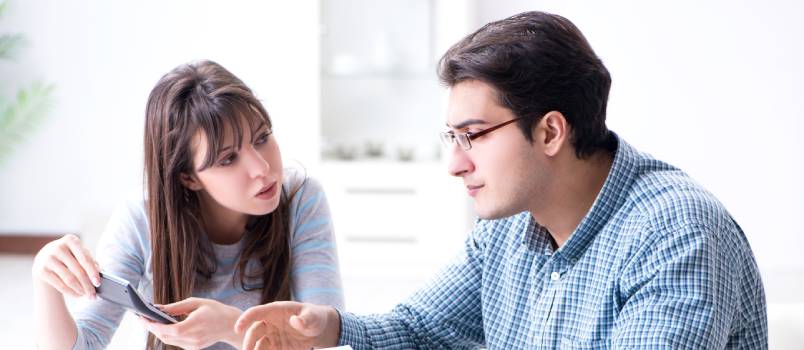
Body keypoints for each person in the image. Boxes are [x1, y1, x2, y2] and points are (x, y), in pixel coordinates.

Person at [233, 11, 767, 349]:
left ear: (551, 131)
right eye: (452, 139)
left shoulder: (676, 233)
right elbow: (423, 330)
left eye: (474, 135)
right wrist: (329, 328)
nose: (456, 164)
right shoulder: (509, 230)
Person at [31, 60, 344, 350]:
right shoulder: (143, 219)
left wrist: (232, 327)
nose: (261, 167)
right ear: (188, 177)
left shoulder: (301, 199)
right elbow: (84, 344)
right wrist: (44, 280)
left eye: (262, 137)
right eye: (228, 158)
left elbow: (329, 338)